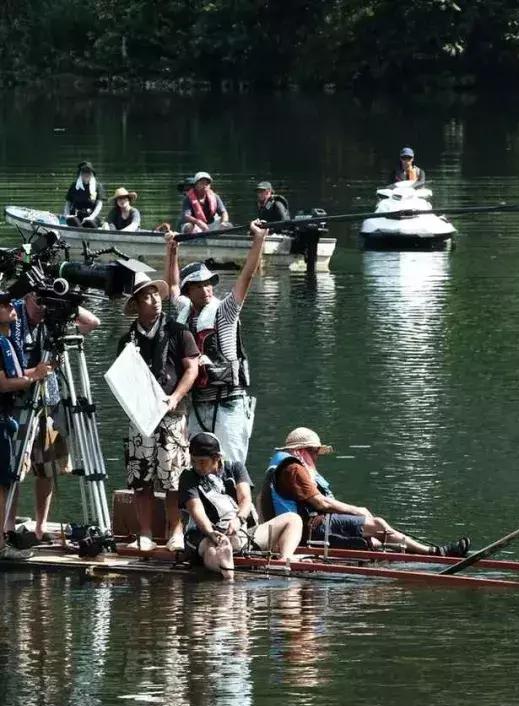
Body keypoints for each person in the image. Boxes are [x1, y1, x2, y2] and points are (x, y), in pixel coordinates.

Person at [260, 427, 469, 556]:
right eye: (315, 452)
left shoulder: (287, 467)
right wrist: (357, 510)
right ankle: (433, 552)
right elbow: (321, 504)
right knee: (378, 525)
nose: (317, 457)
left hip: (314, 525)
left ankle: (414, 554)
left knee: (375, 540)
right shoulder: (295, 469)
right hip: (312, 528)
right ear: (301, 451)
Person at [165, 221, 266, 464]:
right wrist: (172, 251)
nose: (207, 289)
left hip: (228, 400)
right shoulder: (185, 310)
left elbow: (247, 277)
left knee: (230, 466)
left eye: (209, 283)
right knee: (199, 466)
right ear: (190, 291)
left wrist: (259, 240)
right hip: (198, 403)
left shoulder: (225, 311)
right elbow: (172, 286)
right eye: (199, 285)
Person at [11, 287, 101, 544]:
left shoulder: (53, 318)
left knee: (48, 468)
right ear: (27, 297)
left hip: (48, 402)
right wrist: (34, 372)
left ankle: (40, 527)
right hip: (18, 402)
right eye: (39, 300)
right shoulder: (12, 316)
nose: (43, 307)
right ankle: (7, 526)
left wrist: (65, 300)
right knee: (13, 471)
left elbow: (92, 323)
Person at [117, 272, 199, 552]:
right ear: (137, 305)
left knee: (174, 476)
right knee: (141, 479)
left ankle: (175, 530)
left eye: (155, 295)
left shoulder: (178, 331)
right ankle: (145, 532)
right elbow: (122, 379)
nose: (154, 301)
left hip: (172, 414)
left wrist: (176, 397)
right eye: (147, 297)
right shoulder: (127, 339)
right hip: (140, 417)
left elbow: (192, 368)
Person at [179, 432, 302, 579]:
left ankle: (284, 559)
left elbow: (245, 499)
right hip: (206, 535)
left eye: (202, 462)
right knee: (209, 549)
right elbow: (196, 510)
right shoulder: (188, 476)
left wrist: (239, 520)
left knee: (293, 520)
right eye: (194, 461)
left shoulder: (235, 468)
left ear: (217, 458)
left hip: (239, 533)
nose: (197, 466)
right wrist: (212, 533)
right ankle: (225, 568)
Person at [0, 292, 53, 559]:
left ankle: (4, 540)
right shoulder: (2, 341)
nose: (12, 307)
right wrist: (37, 375)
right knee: (5, 478)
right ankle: (2, 540)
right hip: (7, 411)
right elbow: (5, 381)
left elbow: (15, 376)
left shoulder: (5, 341)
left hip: (15, 412)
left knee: (11, 476)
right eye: (5, 304)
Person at [62, 161, 106, 228]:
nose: (86, 174)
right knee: (72, 219)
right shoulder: (74, 186)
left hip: (92, 216)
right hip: (76, 216)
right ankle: (80, 231)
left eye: (88, 172)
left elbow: (99, 205)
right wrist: (67, 215)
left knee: (89, 222)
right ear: (80, 173)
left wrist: (91, 217)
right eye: (84, 172)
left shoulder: (97, 186)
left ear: (92, 173)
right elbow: (68, 203)